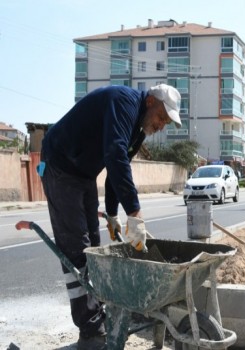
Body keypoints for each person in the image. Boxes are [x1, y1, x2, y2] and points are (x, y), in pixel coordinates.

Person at [39, 84, 181, 349]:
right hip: (60, 163)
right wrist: (135, 214)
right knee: (76, 249)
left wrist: (114, 214)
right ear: (150, 101)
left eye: (166, 123)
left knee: (93, 248)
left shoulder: (137, 129)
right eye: (162, 117)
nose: (162, 126)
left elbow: (121, 165)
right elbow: (114, 154)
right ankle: (90, 328)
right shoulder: (123, 102)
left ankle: (98, 313)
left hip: (83, 173)